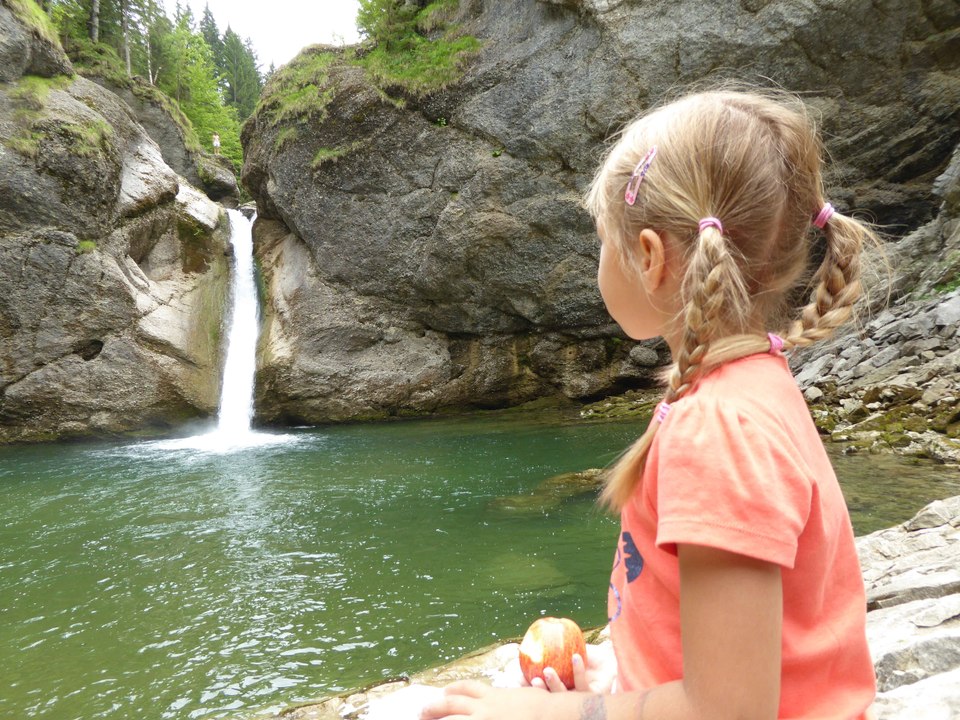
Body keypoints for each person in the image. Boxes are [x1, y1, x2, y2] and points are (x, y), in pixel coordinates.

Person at [420, 88, 879, 719]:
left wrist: (549, 714)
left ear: (649, 258)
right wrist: (623, 678)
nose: (598, 262)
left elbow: (728, 711)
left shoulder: (717, 427)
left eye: (602, 242)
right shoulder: (752, 382)